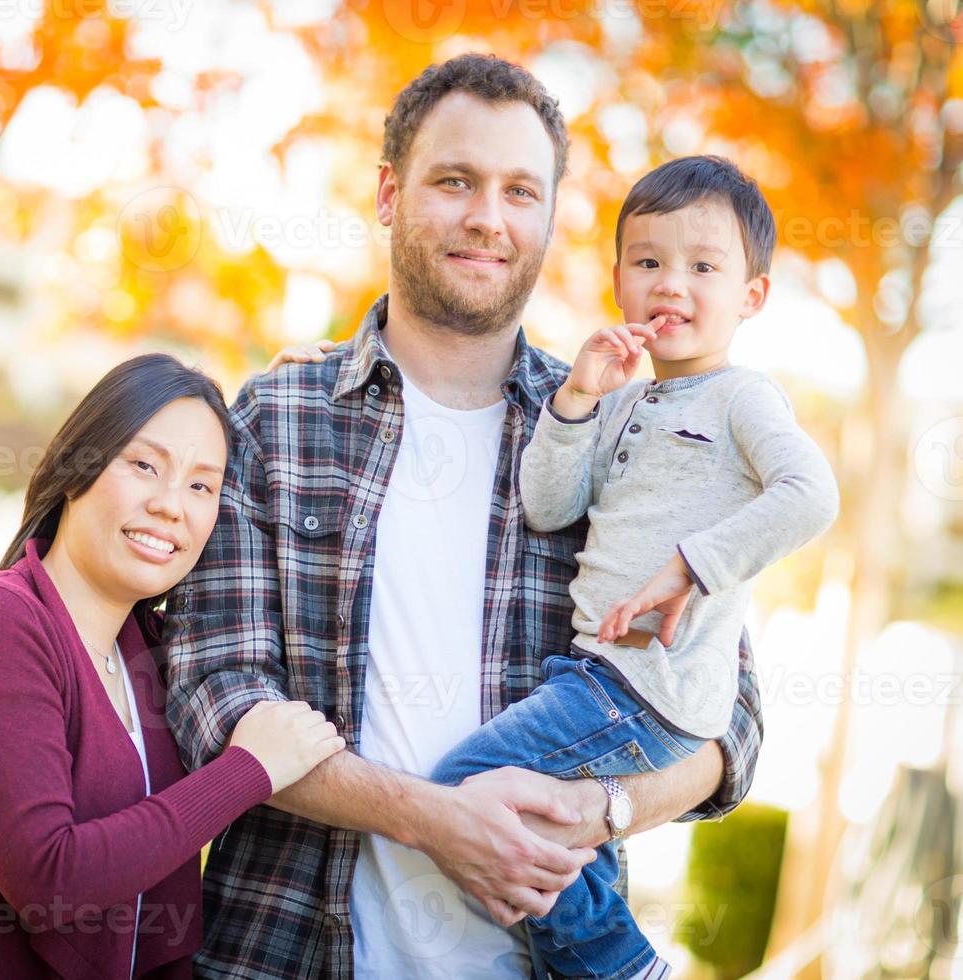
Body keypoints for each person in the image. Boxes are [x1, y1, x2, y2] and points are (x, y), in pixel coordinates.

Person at [165, 53, 767, 980]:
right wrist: (433, 817)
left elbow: (729, 723)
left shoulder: (619, 429)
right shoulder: (276, 419)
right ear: (388, 194)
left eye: (520, 191)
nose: (489, 217)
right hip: (289, 950)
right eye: (455, 181)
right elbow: (216, 695)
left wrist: (604, 809)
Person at [426, 155, 839, 978]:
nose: (671, 285)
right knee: (565, 845)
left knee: (464, 783)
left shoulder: (742, 399)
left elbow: (812, 494)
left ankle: (621, 963)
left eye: (703, 267)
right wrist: (577, 401)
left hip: (646, 685)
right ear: (618, 277)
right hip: (593, 671)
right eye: (649, 262)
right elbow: (546, 505)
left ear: (751, 296)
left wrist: (694, 565)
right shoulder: (617, 400)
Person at [0, 353, 346, 979]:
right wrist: (248, 772)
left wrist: (294, 391)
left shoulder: (161, 657)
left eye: (201, 485)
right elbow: (49, 880)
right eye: (144, 465)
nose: (172, 506)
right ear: (76, 467)